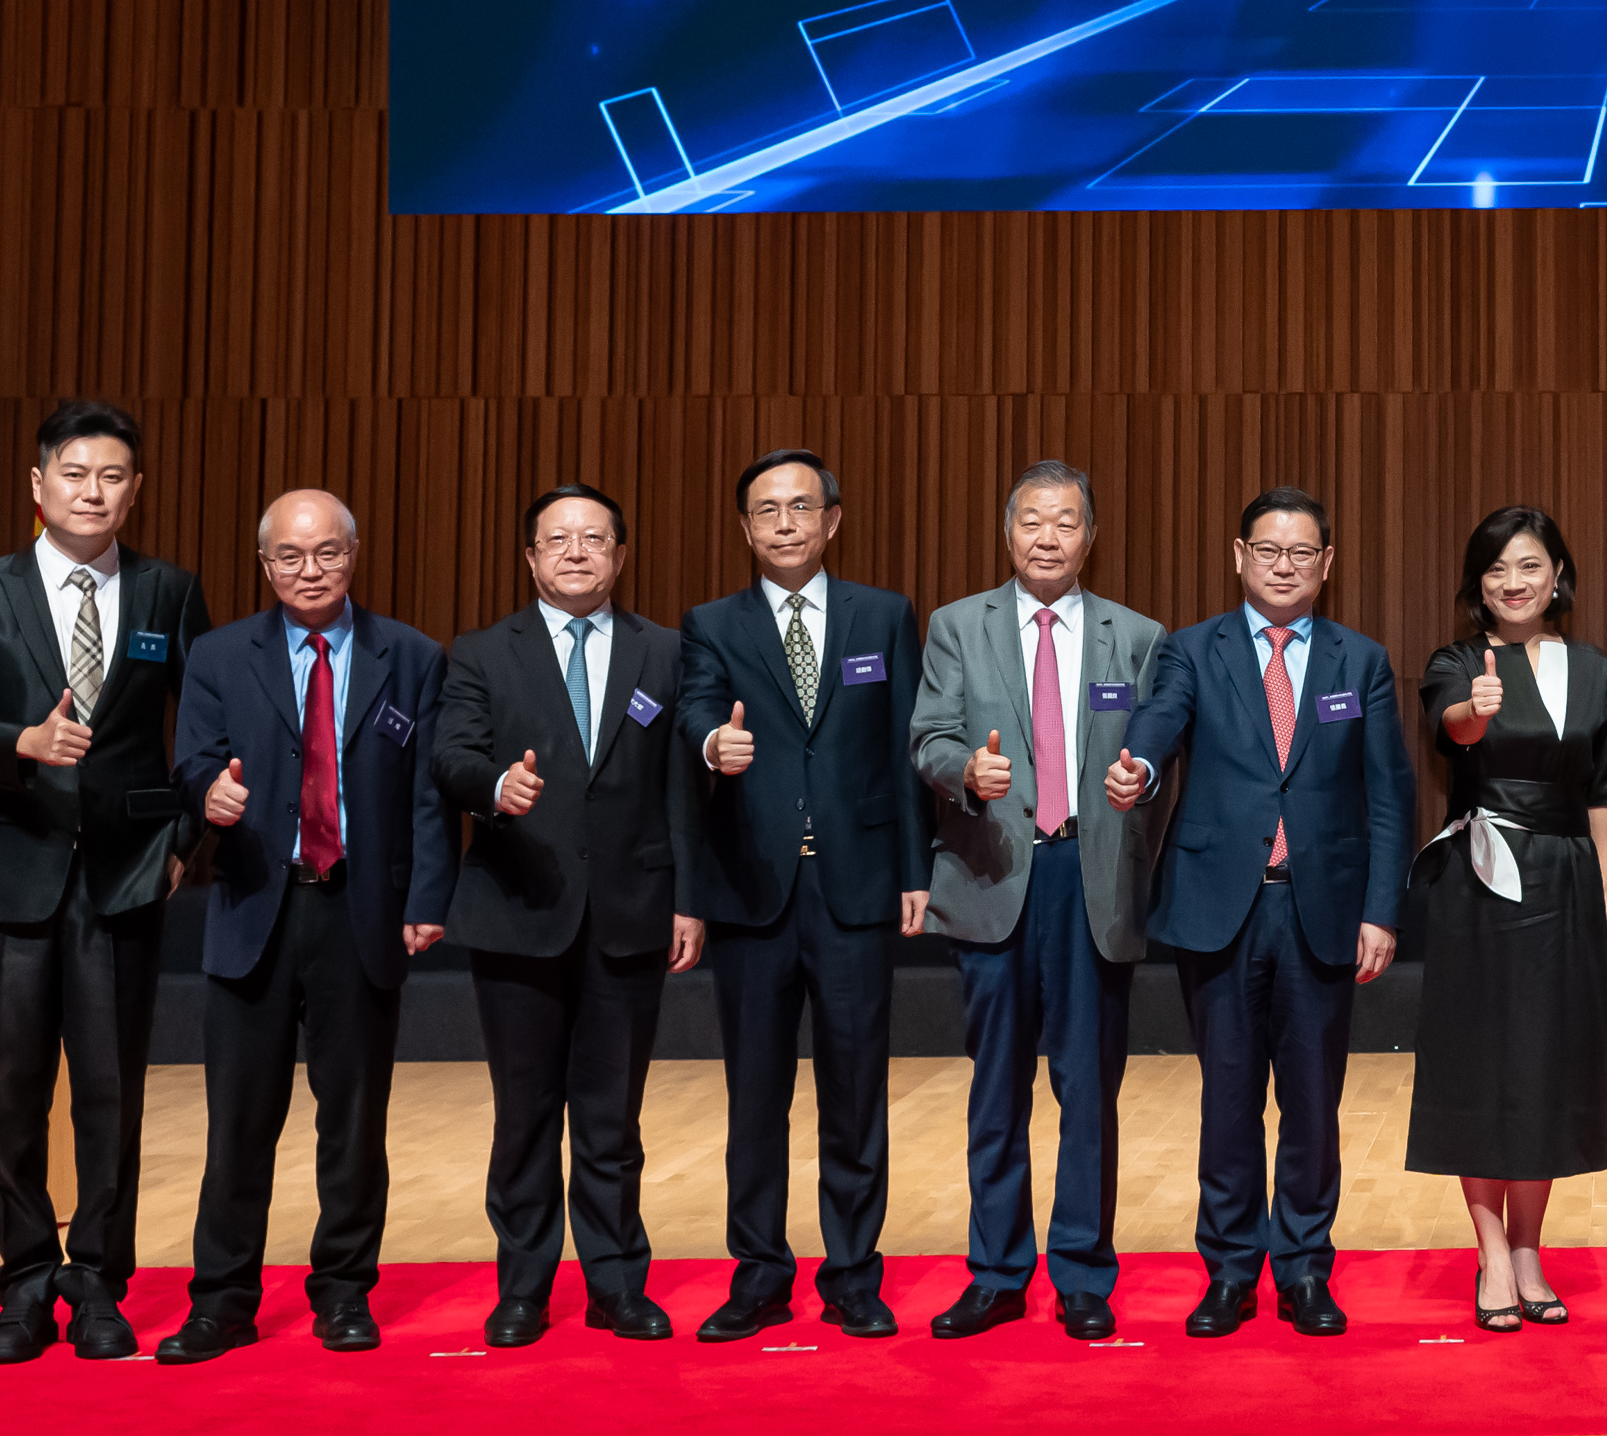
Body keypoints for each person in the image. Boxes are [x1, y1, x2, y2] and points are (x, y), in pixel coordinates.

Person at [0, 400, 211, 1364]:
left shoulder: (170, 592)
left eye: (114, 477)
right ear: (39, 484)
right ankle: (21, 1285)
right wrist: (25, 742)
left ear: (135, 489)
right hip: (11, 869)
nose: (95, 493)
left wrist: (182, 844)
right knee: (13, 1094)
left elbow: (204, 731)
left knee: (110, 1094)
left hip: (128, 875)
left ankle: (97, 1281)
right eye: (77, 474)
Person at [1108, 485, 1411, 1340]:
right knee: (1229, 1101)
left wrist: (1381, 909)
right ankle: (1230, 1272)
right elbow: (1159, 724)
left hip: (1323, 910)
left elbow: (1388, 796)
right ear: (1239, 557)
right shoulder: (1192, 651)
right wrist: (1138, 765)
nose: (1285, 567)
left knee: (1314, 1104)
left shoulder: (1362, 661)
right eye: (1268, 552)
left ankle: (1306, 1270)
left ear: (1327, 564)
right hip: (1219, 910)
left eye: (1302, 554)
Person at [158, 490, 449, 1362]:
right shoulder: (216, 655)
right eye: (290, 556)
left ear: (353, 555)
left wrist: (428, 899)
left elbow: (430, 796)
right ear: (266, 565)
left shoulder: (412, 656)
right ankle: (221, 1301)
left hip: (359, 909)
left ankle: (345, 1293)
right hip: (255, 902)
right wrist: (207, 794)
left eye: (326, 554)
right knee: (238, 1121)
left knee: (353, 1121)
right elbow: (192, 762)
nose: (309, 570)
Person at [420, 481, 702, 1347]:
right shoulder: (480, 652)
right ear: (532, 557)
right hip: (518, 910)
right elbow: (451, 755)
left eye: (595, 539)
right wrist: (495, 788)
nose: (577, 553)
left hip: (632, 908)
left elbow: (683, 788)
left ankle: (618, 1282)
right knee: (526, 1113)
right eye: (559, 540)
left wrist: (689, 899)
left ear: (620, 555)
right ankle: (523, 1288)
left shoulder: (665, 651)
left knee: (614, 1117)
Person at [910, 460, 1164, 1344]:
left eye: (1064, 523)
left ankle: (1084, 1275)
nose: (1047, 538)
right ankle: (996, 1273)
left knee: (1088, 1092)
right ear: (1006, 533)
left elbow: (1161, 747)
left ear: (1090, 536)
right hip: (992, 874)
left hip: (1091, 885)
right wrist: (963, 772)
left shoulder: (1137, 637)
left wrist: (1145, 776)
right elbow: (929, 736)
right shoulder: (955, 627)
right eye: (1030, 522)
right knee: (996, 1093)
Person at [678, 449, 926, 1345]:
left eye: (801, 507)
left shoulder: (886, 615)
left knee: (856, 1090)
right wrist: (715, 747)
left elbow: (904, 749)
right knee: (756, 1093)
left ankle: (855, 1272)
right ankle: (759, 1275)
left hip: (856, 887)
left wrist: (914, 869)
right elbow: (695, 714)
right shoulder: (712, 623)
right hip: (752, 889)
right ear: (745, 528)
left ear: (832, 520)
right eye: (766, 511)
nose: (785, 523)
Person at [1410, 506, 1607, 1329]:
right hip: (1483, 872)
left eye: (1530, 566)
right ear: (1479, 584)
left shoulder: (1592, 667)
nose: (1514, 582)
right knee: (1481, 1060)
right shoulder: (1459, 661)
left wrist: (1605, 891)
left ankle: (1531, 1246)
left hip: (1568, 873)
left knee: (1548, 1059)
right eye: (1498, 569)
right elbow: (1450, 731)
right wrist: (1478, 712)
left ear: (1558, 575)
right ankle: (1491, 1251)